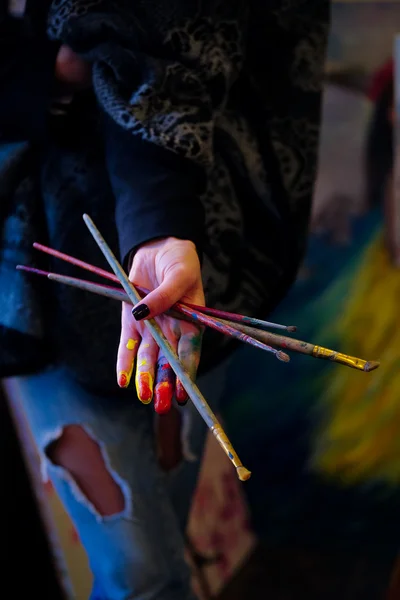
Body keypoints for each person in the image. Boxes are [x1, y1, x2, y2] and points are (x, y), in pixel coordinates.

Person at [0, 1, 330, 599]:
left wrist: (159, 221)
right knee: (143, 575)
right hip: (30, 281)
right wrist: (39, 72)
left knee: (165, 544)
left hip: (199, 249)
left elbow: (179, 32)